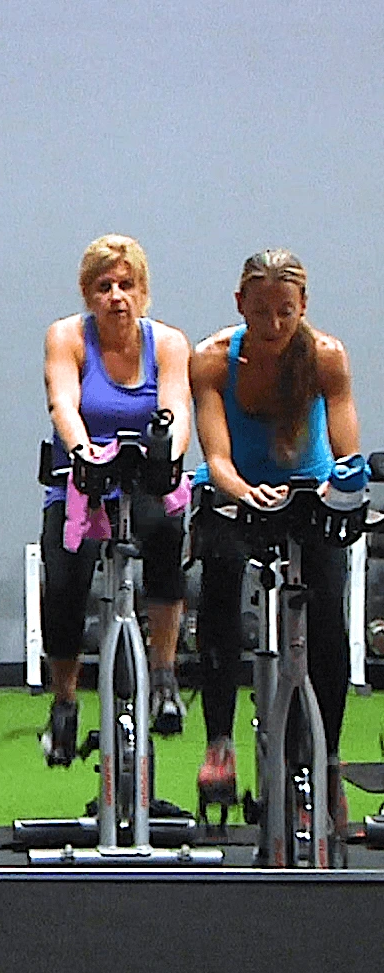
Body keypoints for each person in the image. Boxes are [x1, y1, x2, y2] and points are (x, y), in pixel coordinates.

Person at [190, 248, 360, 823]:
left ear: (303, 306)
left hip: (306, 496)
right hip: (238, 493)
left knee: (328, 615)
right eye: (261, 313)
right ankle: (220, 743)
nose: (274, 326)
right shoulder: (213, 359)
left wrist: (347, 487)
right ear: (241, 305)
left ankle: (327, 759)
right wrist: (242, 490)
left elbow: (346, 453)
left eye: (286, 312)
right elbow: (215, 455)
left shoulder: (327, 358)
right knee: (218, 573)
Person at [40, 234, 191, 766]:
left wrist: (165, 456)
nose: (116, 296)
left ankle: (165, 674)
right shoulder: (67, 337)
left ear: (143, 292)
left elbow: (177, 410)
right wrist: (84, 453)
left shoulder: (168, 343)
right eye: (104, 287)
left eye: (127, 286)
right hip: (81, 481)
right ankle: (63, 703)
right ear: (89, 294)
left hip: (144, 478)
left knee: (169, 532)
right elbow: (64, 401)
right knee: (64, 577)